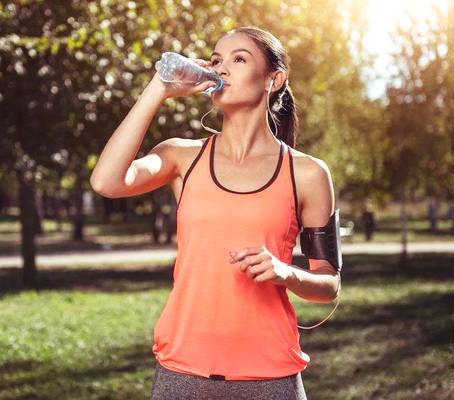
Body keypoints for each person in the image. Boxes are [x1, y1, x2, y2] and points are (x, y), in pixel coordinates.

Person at [90, 26, 341, 400]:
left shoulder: (307, 173)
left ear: (274, 79)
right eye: (216, 60)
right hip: (182, 370)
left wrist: (285, 272)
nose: (222, 69)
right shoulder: (180, 157)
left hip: (271, 376)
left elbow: (329, 286)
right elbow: (106, 182)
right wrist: (159, 88)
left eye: (239, 59)